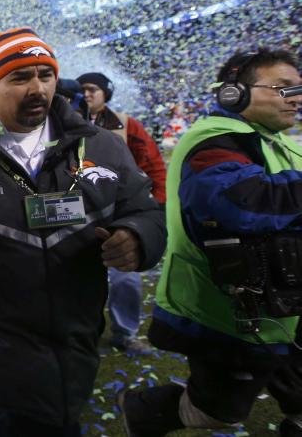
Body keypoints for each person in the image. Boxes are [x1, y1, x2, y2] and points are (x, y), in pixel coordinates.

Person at [0, 27, 166, 437]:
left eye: (45, 75)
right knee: (26, 421)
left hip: (77, 325)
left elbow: (144, 210)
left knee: (62, 414)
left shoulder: (99, 145)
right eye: (20, 77)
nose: (37, 88)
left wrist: (137, 236)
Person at [120, 48, 302, 437]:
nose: (297, 97)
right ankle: (142, 411)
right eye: (283, 88)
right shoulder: (212, 141)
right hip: (230, 317)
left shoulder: (281, 141)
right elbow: (239, 202)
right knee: (217, 410)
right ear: (234, 93)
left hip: (283, 307)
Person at [78, 71, 167, 354]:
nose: (88, 94)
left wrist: (155, 206)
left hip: (120, 213)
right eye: (83, 90)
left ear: (107, 93)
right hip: (78, 216)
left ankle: (125, 333)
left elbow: (152, 163)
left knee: (125, 273)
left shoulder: (126, 124)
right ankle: (80, 334)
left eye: (94, 89)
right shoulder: (60, 124)